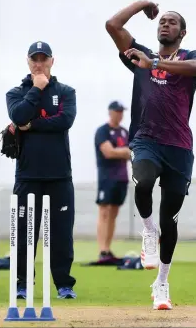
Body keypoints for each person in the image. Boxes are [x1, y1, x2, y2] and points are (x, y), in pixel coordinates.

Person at [106, 0, 196, 309]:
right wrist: (142, 5)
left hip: (178, 147)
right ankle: (148, 232)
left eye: (172, 21)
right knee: (144, 181)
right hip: (146, 140)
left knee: (171, 220)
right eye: (162, 20)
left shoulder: (190, 58)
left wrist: (158, 65)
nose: (165, 24)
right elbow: (113, 26)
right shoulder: (140, 56)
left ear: (182, 32)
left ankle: (161, 282)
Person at [5, 41, 77, 299]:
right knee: (24, 234)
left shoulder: (66, 91)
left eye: (43, 58)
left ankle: (64, 285)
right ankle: (23, 284)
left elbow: (65, 121)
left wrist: (32, 125)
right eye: (34, 59)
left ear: (51, 61)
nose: (38, 63)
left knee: (61, 235)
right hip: (27, 176)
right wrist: (36, 90)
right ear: (27, 61)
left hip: (60, 175)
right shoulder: (16, 93)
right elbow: (18, 116)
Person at [83, 101, 130, 266]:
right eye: (117, 111)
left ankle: (108, 249)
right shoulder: (102, 131)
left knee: (114, 213)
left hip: (122, 177)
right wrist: (124, 152)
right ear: (110, 112)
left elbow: (134, 152)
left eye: (121, 111)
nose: (120, 114)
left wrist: (124, 152)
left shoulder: (125, 132)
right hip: (107, 177)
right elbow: (108, 152)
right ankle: (102, 250)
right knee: (104, 211)